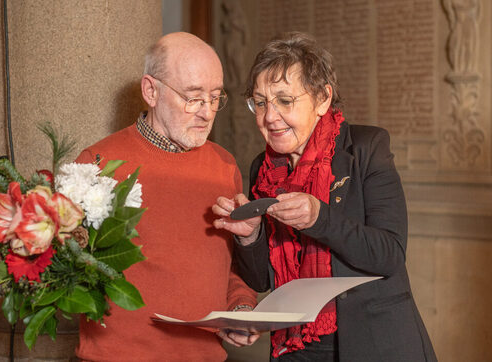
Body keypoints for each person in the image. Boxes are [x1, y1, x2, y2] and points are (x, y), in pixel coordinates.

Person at [212, 32, 437, 361]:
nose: (269, 117)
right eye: (260, 102)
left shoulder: (365, 148)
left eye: (285, 101)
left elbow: (389, 254)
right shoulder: (263, 168)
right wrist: (251, 237)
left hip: (375, 345)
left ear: (322, 99)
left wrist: (321, 219)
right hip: (295, 349)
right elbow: (260, 279)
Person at [74, 32, 259, 361]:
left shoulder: (223, 166)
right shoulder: (97, 165)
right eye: (193, 97)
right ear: (151, 91)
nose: (206, 112)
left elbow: (224, 267)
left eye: (215, 97)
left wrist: (240, 306)